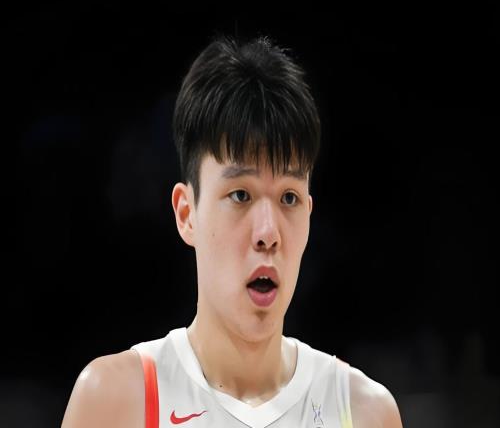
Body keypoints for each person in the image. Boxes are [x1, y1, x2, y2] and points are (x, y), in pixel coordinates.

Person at [61, 34, 403, 428]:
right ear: (187, 213)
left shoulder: (365, 412)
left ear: (309, 216)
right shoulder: (115, 401)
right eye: (241, 194)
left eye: (289, 198)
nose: (268, 233)